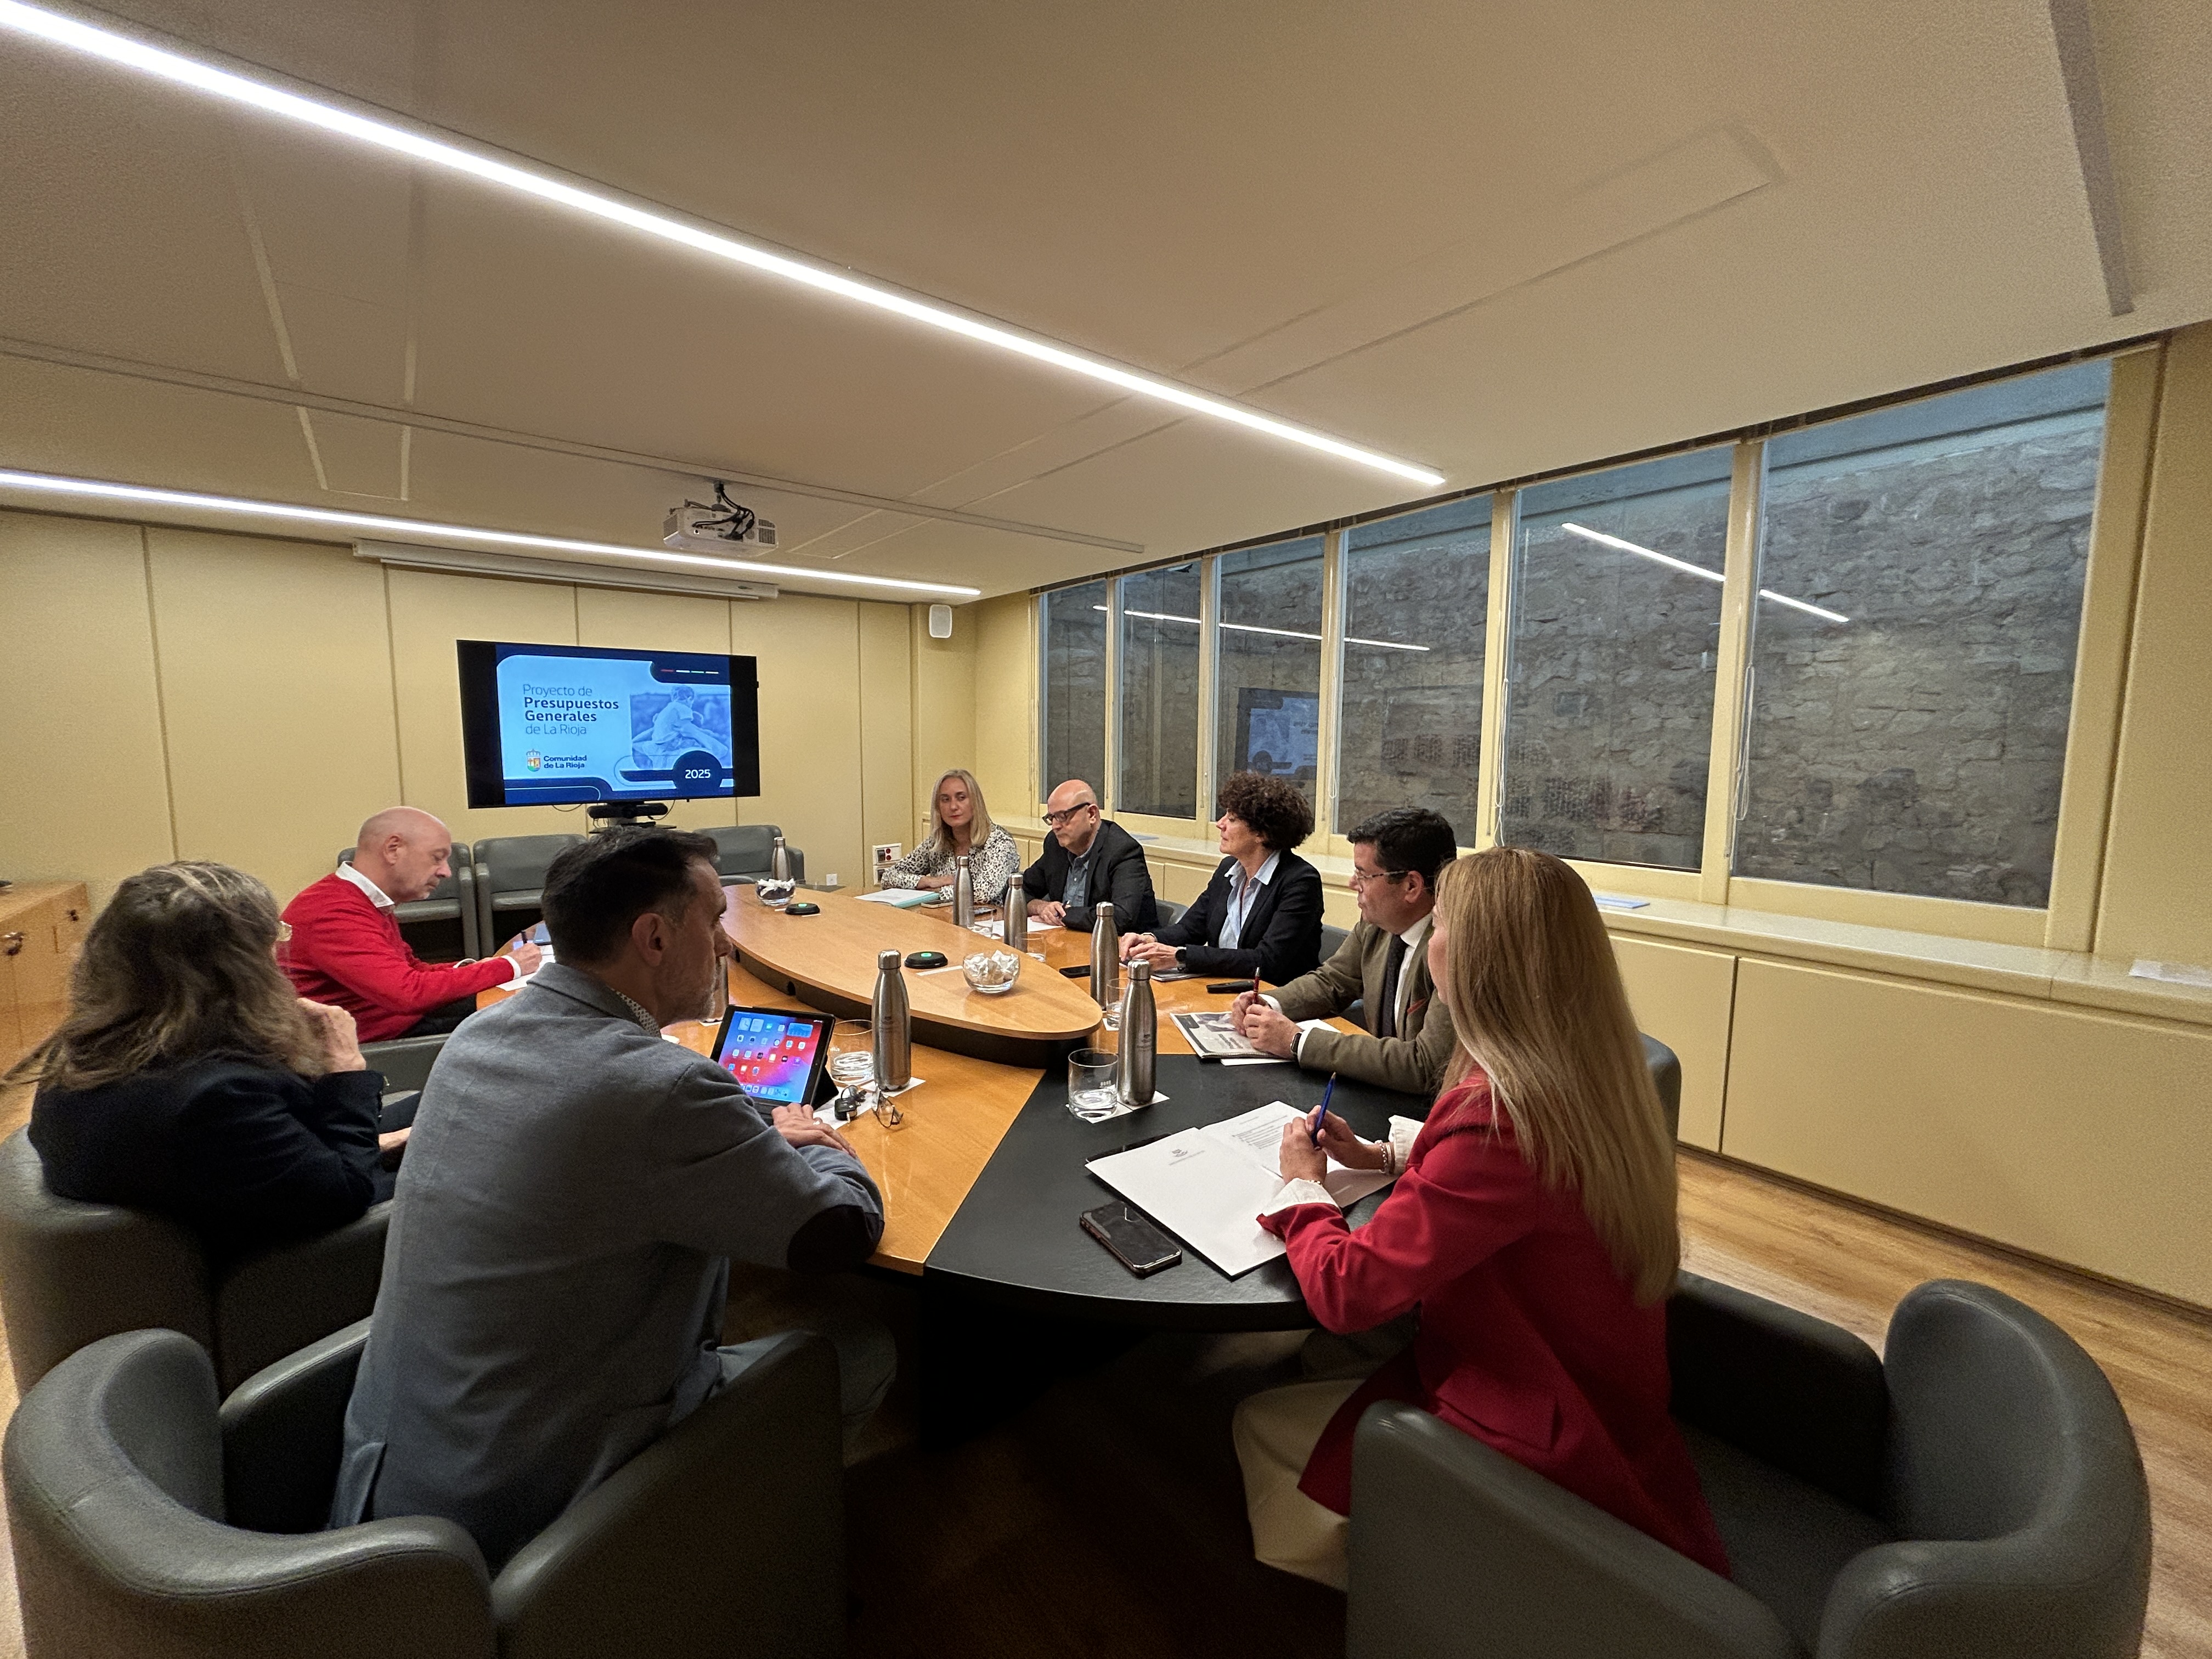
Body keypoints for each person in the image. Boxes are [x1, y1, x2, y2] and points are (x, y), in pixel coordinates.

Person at [330, 827, 890, 1571]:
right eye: (713, 922)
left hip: (401, 1473)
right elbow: (840, 1232)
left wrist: (752, 1129)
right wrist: (821, 1139)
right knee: (865, 1350)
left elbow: (619, 1125)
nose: (725, 948)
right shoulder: (663, 1091)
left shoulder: (476, 1038)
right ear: (654, 937)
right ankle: (719, 1569)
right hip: (528, 1514)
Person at [1229, 847, 1728, 1591]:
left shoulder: (1501, 1115)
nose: (1431, 939)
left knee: (1258, 1420)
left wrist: (1303, 1189)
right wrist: (1376, 1154)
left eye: (1444, 925)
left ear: (1473, 957)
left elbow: (1348, 1292)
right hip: (1609, 1393)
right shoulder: (1590, 1072)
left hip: (1543, 1423)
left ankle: (1409, 1591)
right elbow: (1524, 1191)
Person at [15, 862, 400, 1261]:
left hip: (226, 1214)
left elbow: (248, 1156)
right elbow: (346, 1197)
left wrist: (384, 1140)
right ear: (238, 967)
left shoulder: (84, 1053)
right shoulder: (218, 1097)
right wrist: (346, 1070)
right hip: (287, 1271)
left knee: (436, 1107)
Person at [1230, 807, 1458, 1094]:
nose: (1353, 884)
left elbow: (1425, 1065)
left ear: (1411, 885)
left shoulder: (1453, 946)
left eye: (1363, 875)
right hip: (1379, 1092)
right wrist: (1267, 1003)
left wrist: (1297, 1041)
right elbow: (1333, 981)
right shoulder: (1376, 923)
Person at [282, 807, 540, 1041]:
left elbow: (411, 969)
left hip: (400, 1022)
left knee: (523, 1005)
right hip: (384, 1044)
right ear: (393, 849)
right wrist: (510, 966)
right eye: (436, 858)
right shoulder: (333, 911)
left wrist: (478, 967)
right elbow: (408, 994)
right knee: (530, 1021)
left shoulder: (361, 899)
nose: (446, 872)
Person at [1120, 771, 1323, 985]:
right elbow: (1190, 929)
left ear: (1262, 834)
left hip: (1272, 998)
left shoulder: (1300, 881)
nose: (1220, 823)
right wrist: (1150, 940)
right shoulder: (1229, 869)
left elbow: (1266, 961)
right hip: (1225, 988)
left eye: (1232, 819)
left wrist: (1180, 956)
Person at [1019, 778, 1158, 932]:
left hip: (1121, 949)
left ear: (1091, 814)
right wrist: (1041, 907)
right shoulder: (1056, 845)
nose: (1055, 826)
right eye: (1052, 818)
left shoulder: (1123, 851)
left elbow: (1120, 917)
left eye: (1063, 816)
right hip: (1067, 942)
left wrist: (1063, 914)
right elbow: (1018, 891)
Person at [876, 768, 1022, 902]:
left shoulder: (999, 842)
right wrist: (929, 882)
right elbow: (889, 877)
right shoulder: (937, 844)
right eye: (945, 800)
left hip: (987, 925)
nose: (953, 807)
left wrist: (934, 893)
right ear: (938, 807)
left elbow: (981, 893)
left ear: (975, 803)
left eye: (961, 798)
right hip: (942, 921)